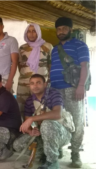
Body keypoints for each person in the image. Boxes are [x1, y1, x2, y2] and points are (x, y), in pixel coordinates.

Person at [50, 17, 90, 168]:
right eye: (58, 29)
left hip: (72, 89)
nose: (61, 31)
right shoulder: (54, 49)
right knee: (57, 120)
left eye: (64, 28)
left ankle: (75, 153)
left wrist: (81, 86)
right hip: (55, 89)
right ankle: (58, 147)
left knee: (76, 121)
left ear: (70, 30)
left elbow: (84, 67)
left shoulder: (80, 45)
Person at [14, 74, 73, 169]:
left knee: (46, 124)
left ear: (45, 84)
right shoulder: (29, 101)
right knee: (17, 144)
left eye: (38, 83)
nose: (35, 86)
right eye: (32, 83)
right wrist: (31, 131)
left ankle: (52, 161)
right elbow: (27, 122)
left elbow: (57, 114)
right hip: (43, 133)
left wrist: (32, 119)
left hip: (62, 133)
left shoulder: (54, 94)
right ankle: (45, 153)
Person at [17, 23, 53, 119]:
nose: (31, 34)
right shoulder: (22, 48)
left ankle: (41, 131)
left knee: (40, 108)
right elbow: (20, 65)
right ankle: (24, 129)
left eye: (34, 31)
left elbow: (50, 65)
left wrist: (47, 80)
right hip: (24, 84)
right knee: (22, 107)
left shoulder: (48, 47)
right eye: (29, 31)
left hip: (40, 84)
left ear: (38, 32)